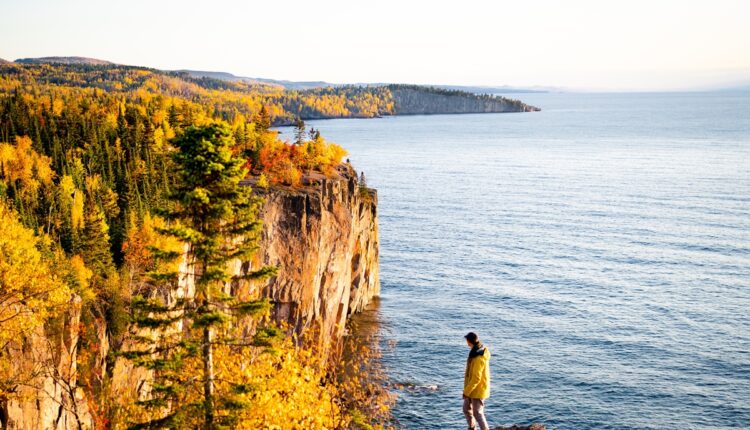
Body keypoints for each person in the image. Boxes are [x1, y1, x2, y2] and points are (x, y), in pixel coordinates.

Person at [463, 331, 491, 430]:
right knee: (466, 409)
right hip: (471, 388)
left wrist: (466, 392)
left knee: (478, 413)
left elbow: (476, 378)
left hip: (478, 389)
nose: (466, 343)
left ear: (469, 341)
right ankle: (472, 428)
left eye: (467, 341)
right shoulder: (475, 351)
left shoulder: (478, 357)